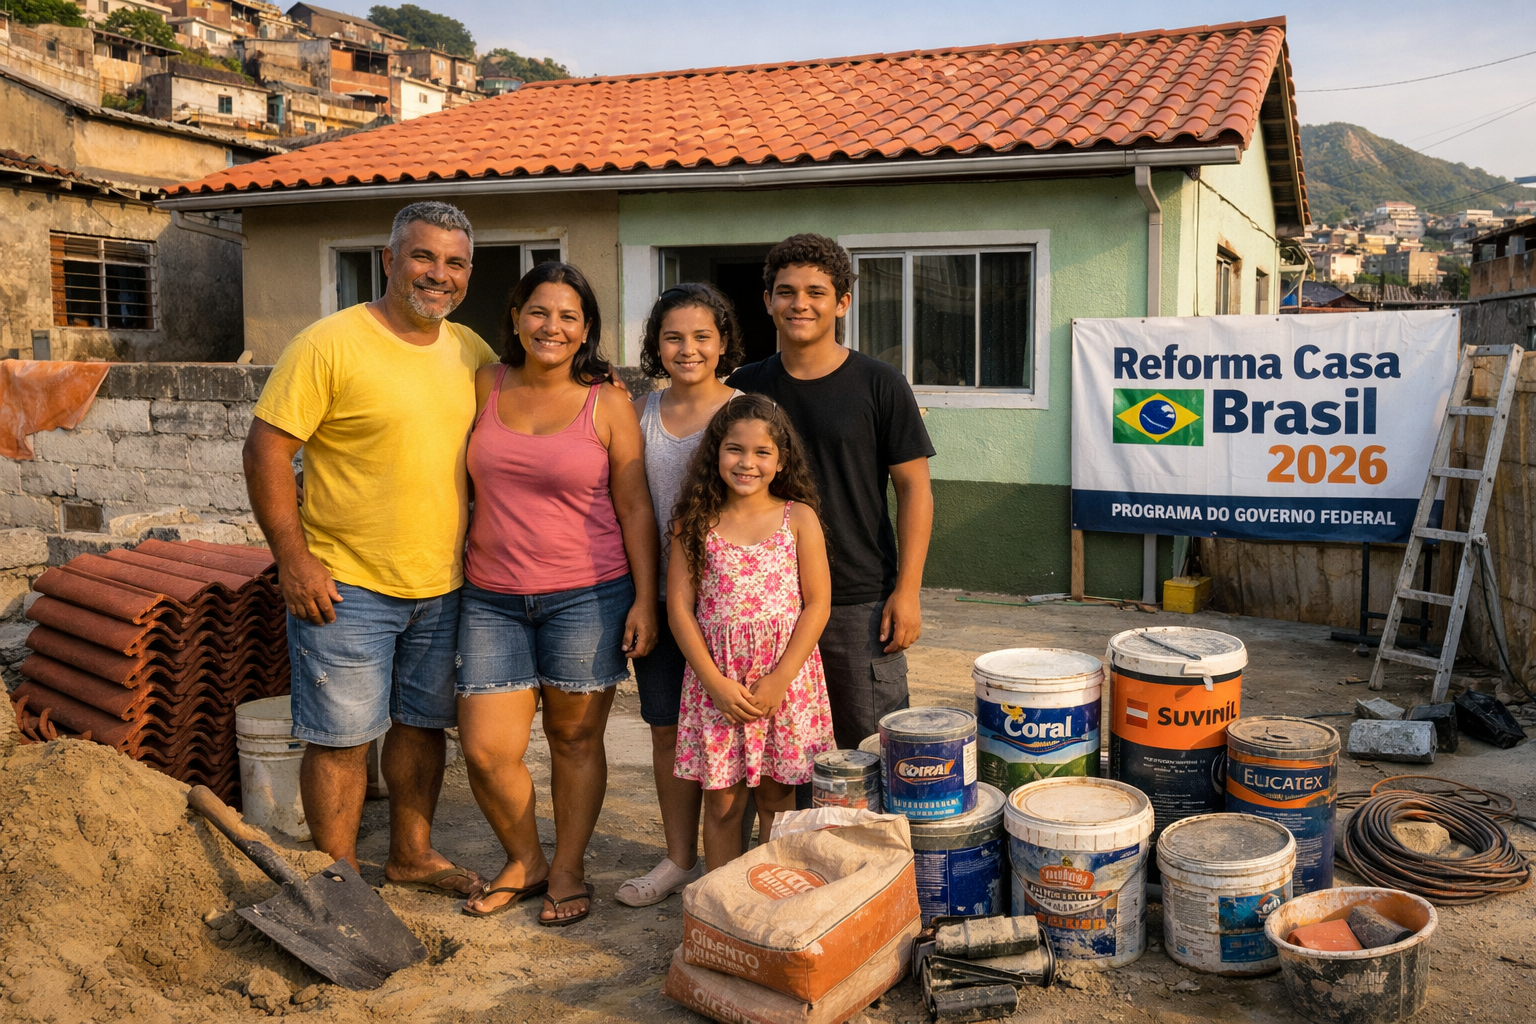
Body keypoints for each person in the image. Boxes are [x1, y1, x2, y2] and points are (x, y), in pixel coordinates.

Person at [243, 201, 493, 897]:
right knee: (340, 736)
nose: (436, 275)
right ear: (388, 260)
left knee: (421, 727)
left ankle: (412, 855)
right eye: (422, 256)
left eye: (453, 262)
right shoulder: (330, 343)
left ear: (468, 273)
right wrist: (293, 559)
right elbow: (266, 449)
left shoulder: (471, 351)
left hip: (443, 584)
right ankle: (340, 874)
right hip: (345, 584)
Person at [455, 261, 659, 925]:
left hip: (589, 597)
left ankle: (567, 866)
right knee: (487, 750)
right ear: (515, 317)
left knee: (574, 742)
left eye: (569, 316)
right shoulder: (484, 383)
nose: (552, 326)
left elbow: (634, 508)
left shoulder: (609, 402)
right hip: (491, 598)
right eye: (539, 311)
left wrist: (644, 600)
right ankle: (524, 858)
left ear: (587, 330)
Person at [729, 234, 936, 752]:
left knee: (872, 751)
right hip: (767, 605)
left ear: (843, 303)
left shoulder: (880, 384)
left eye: (817, 292)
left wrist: (907, 591)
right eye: (786, 291)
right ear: (767, 301)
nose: (800, 303)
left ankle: (872, 839)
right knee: (781, 755)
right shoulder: (743, 388)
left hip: (857, 601)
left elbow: (914, 490)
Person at [616, 284, 744, 907]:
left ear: (723, 343)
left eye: (701, 336)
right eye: (673, 337)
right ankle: (677, 858)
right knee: (667, 730)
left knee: (733, 733)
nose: (687, 348)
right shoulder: (639, 413)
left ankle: (737, 863)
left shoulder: (748, 412)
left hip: (734, 611)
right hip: (662, 600)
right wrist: (645, 598)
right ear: (655, 345)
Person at [668, 395, 835, 868]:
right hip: (718, 684)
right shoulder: (693, 523)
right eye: (734, 449)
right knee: (721, 804)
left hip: (783, 684)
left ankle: (768, 907)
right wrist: (714, 683)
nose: (747, 463)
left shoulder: (797, 518)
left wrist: (781, 678)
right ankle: (723, 908)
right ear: (715, 453)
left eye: (762, 452)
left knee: (777, 801)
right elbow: (681, 609)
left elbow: (817, 603)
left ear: (781, 460)